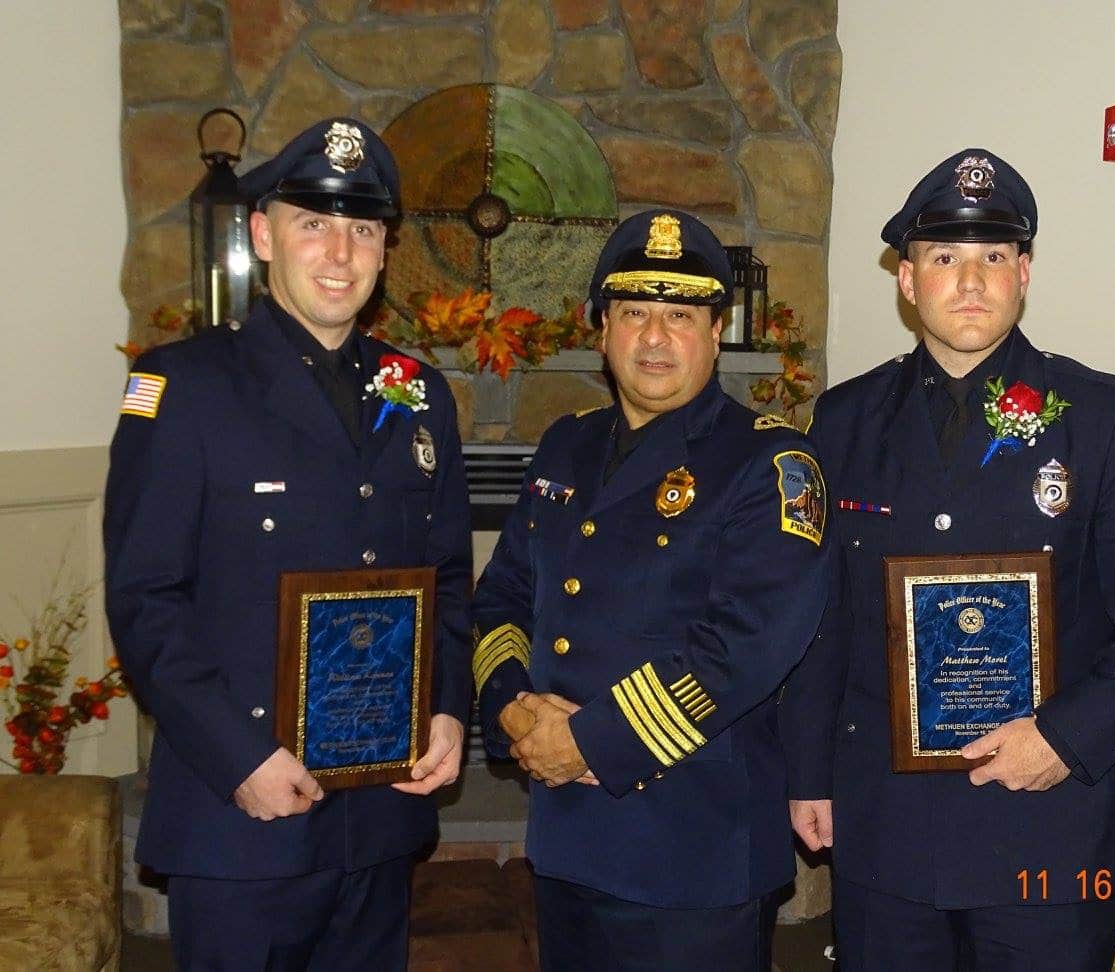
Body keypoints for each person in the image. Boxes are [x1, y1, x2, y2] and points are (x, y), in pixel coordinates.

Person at [781, 149, 1115, 970]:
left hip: (1048, 824)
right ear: (907, 280)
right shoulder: (842, 423)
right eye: (944, 257)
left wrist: (1067, 736)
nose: (969, 280)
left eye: (992, 257)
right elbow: (818, 616)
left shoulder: (1104, 419)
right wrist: (809, 770)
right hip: (886, 830)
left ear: (1024, 272)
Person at [103, 118, 472, 970]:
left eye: (363, 228)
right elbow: (145, 598)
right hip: (241, 814)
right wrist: (243, 757)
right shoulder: (183, 388)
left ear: (385, 249)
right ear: (264, 235)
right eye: (315, 223)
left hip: (380, 812)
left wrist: (447, 706)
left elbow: (449, 575)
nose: (340, 253)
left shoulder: (419, 395)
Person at [471, 209, 830, 971]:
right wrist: (511, 706)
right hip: (568, 833)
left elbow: (748, 648)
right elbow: (501, 595)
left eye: (681, 316)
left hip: (693, 849)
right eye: (635, 313)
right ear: (602, 330)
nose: (656, 338)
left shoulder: (770, 464)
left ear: (717, 330)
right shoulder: (567, 444)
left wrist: (586, 740)